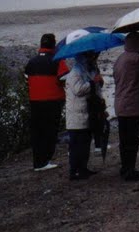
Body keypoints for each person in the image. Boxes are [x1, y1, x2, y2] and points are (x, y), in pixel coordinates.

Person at [113, 30, 139, 181]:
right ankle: (130, 171)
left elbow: (130, 77)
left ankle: (125, 168)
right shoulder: (134, 58)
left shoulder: (121, 58)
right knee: (132, 140)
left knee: (125, 141)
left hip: (121, 104)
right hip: (132, 105)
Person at [23, 33, 67, 171]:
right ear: (53, 45)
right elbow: (64, 79)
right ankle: (44, 161)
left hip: (35, 102)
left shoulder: (31, 62)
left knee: (37, 132)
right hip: (53, 101)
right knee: (50, 132)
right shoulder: (57, 60)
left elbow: (26, 79)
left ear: (41, 45)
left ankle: (38, 162)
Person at [64, 51, 102, 180]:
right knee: (76, 145)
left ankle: (83, 168)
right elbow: (78, 90)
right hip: (76, 114)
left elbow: (95, 89)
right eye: (90, 56)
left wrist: (98, 82)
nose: (93, 58)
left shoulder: (86, 70)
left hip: (85, 112)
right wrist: (93, 82)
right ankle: (74, 171)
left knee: (85, 143)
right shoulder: (75, 72)